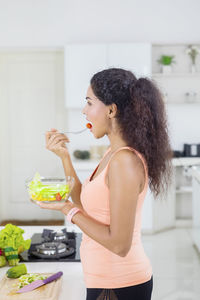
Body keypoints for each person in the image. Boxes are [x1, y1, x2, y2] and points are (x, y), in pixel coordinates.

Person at [37, 68, 172, 300]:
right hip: (103, 279)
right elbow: (88, 207)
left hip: (120, 284)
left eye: (89, 103)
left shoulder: (125, 161)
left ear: (111, 110)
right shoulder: (113, 152)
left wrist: (67, 209)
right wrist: (64, 157)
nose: (84, 111)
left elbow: (120, 244)